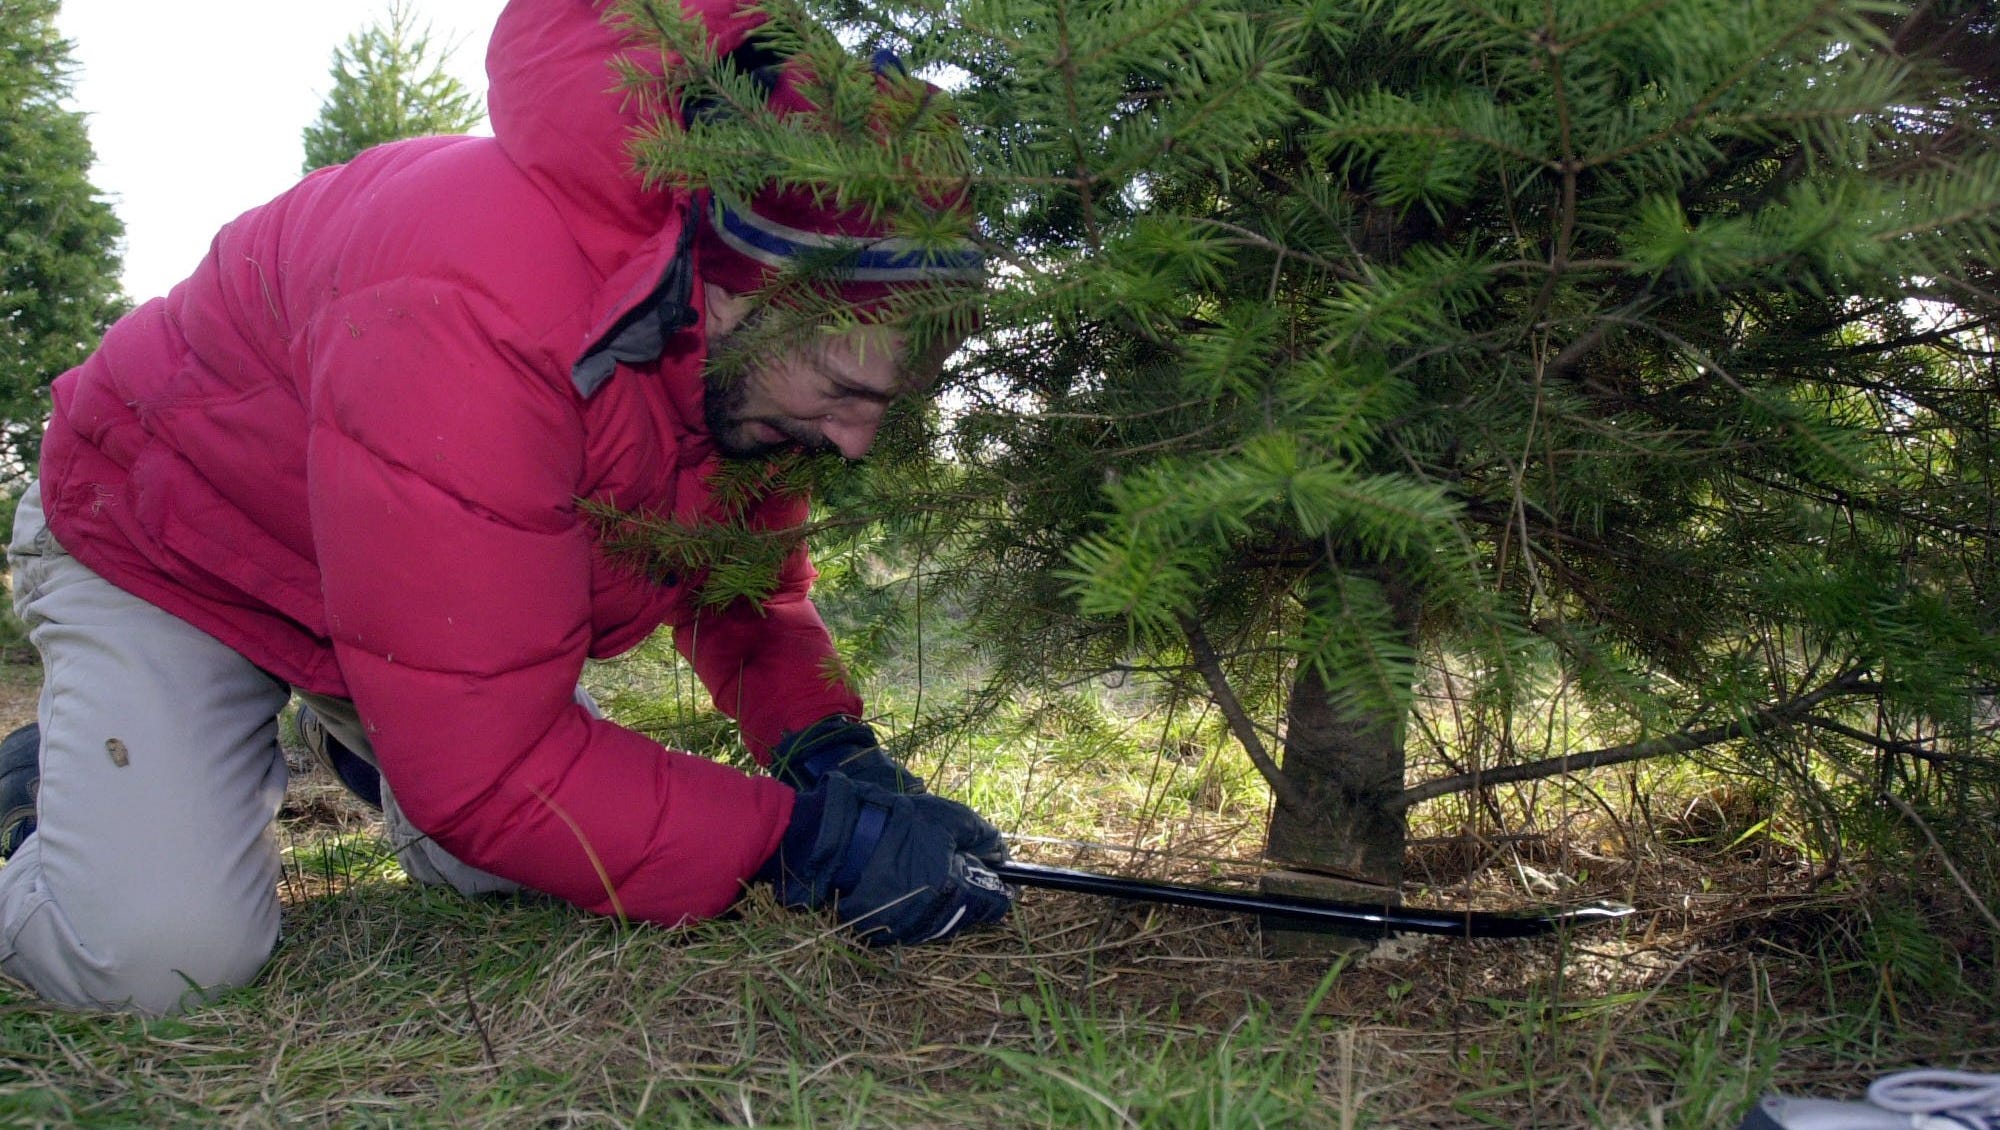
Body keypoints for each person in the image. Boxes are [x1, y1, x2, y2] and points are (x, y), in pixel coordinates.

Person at [0, 0, 1011, 1017]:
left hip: (400, 611)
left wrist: (836, 757)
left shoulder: (734, 374)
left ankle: (350, 731)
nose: (856, 440)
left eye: (884, 402)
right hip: (164, 545)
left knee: (531, 865)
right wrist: (800, 845)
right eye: (841, 389)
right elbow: (491, 769)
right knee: (158, 958)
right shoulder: (476, 295)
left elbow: (746, 594)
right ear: (733, 288)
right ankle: (67, 793)